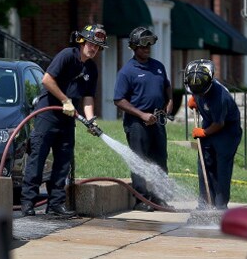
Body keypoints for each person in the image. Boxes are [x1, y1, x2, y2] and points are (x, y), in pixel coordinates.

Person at [20, 24, 107, 217]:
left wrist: (91, 119)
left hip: (68, 119)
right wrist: (65, 100)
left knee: (63, 162)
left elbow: (88, 97)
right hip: (47, 115)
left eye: (98, 46)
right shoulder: (67, 55)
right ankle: (28, 203)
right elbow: (47, 80)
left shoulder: (92, 68)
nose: (93, 48)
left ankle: (55, 205)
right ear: (82, 41)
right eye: (91, 43)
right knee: (38, 158)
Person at [113, 27, 173, 212]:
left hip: (158, 121)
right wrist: (142, 115)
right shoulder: (127, 71)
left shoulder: (158, 66)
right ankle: (141, 200)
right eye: (143, 46)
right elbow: (119, 100)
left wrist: (167, 108)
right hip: (137, 123)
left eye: (149, 45)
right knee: (139, 160)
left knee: (160, 159)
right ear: (133, 47)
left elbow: (168, 90)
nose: (147, 49)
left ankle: (158, 198)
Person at [184, 59, 242, 210]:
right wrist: (195, 99)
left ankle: (220, 207)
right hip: (210, 124)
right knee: (204, 164)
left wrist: (203, 132)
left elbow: (219, 124)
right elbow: (198, 93)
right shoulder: (197, 83)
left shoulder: (220, 97)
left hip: (227, 132)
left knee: (221, 168)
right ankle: (204, 205)